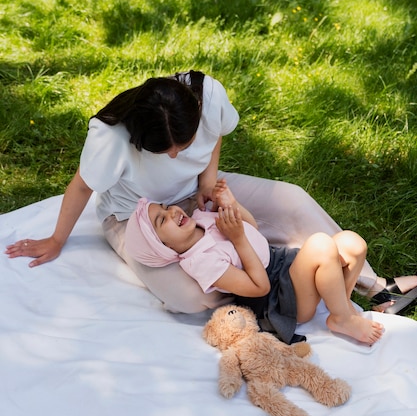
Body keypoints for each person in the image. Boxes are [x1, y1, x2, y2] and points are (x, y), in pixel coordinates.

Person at [5, 70, 417, 314]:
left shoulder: (208, 95)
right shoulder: (110, 136)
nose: (172, 154)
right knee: (188, 297)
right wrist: (57, 239)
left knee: (291, 199)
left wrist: (207, 179)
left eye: (180, 146)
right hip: (141, 217)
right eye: (160, 149)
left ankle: (373, 286)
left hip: (195, 193)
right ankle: (276, 303)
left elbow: (215, 135)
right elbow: (80, 186)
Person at [124, 178, 384, 346]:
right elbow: (259, 287)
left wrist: (232, 204)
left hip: (283, 264)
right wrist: (237, 239)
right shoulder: (201, 263)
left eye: (165, 207)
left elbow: (251, 229)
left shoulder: (203, 218)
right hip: (279, 299)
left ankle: (343, 306)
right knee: (320, 244)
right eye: (162, 220)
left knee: (353, 244)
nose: (171, 212)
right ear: (163, 247)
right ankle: (340, 318)